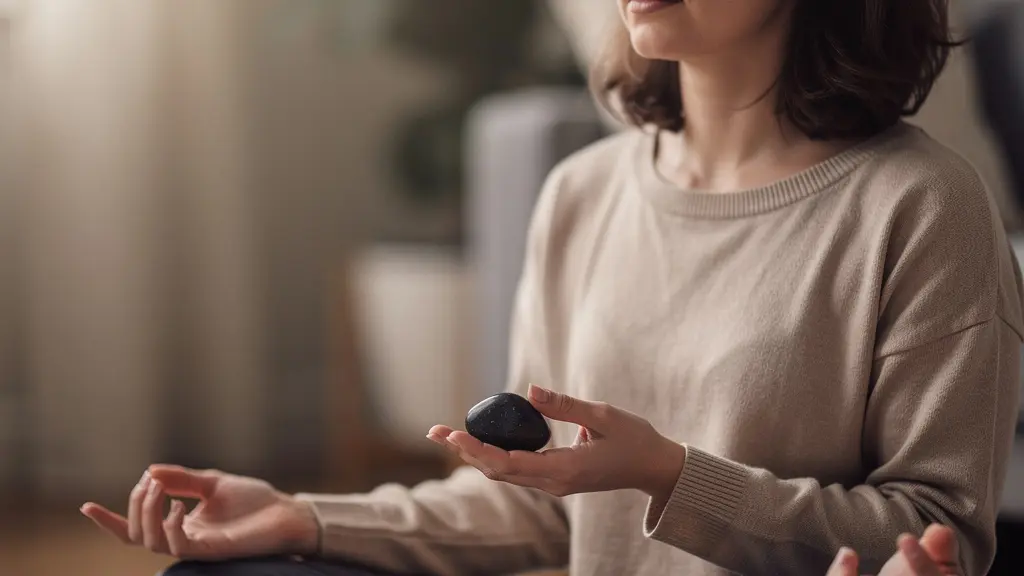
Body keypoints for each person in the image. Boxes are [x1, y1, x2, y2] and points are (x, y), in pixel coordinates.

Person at [82, 0, 1023, 574]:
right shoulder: (584, 192)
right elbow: (535, 507)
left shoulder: (923, 207)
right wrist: (307, 516)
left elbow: (939, 533)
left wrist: (669, 473)